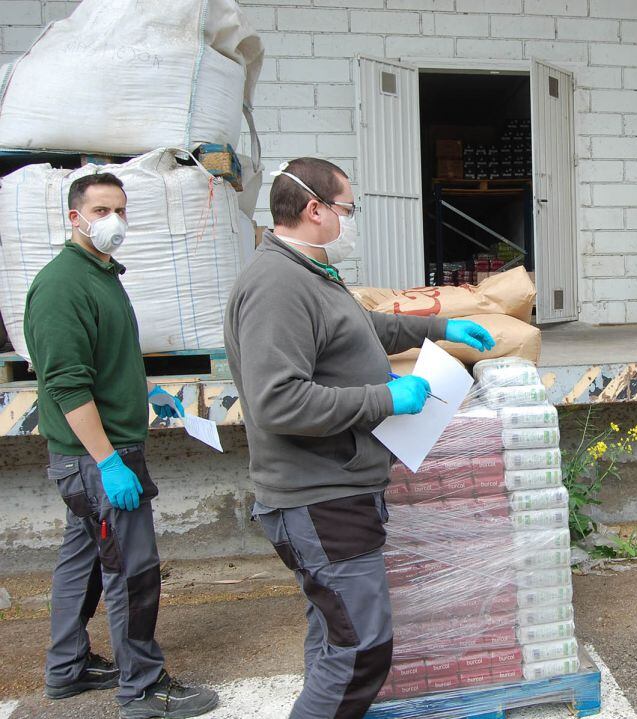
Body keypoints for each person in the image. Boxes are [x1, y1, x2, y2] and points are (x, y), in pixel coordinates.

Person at [223, 157, 495, 718]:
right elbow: (278, 401)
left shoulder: (309, 271)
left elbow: (360, 328)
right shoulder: (277, 285)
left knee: (334, 638)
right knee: (361, 650)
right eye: (348, 208)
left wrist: (438, 328)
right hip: (319, 497)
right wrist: (385, 400)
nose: (353, 220)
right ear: (313, 209)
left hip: (337, 488)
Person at [24, 173, 218, 718]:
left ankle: (67, 667)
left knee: (82, 563)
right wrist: (108, 461)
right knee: (132, 570)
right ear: (74, 217)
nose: (115, 221)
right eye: (102, 209)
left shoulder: (101, 275)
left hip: (94, 456)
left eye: (121, 210)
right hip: (97, 458)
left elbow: (101, 357)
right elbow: (65, 385)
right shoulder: (64, 285)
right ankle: (143, 688)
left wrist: (142, 388)